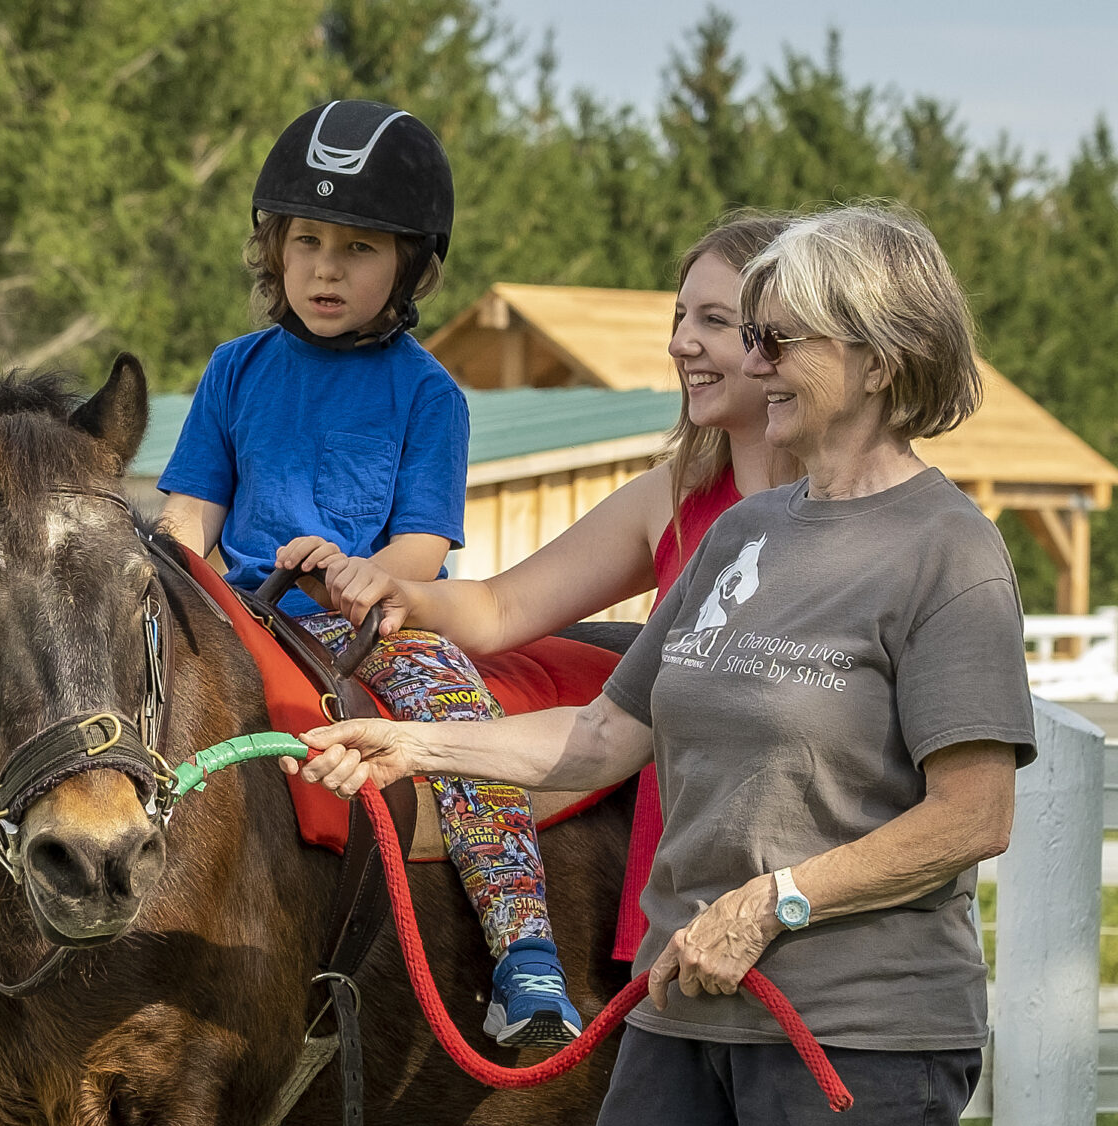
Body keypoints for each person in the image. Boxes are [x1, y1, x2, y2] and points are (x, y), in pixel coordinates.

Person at [290, 203, 1036, 1126]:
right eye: (752, 335)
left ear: (879, 357)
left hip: (858, 1032)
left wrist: (773, 901)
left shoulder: (946, 552)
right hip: (682, 1013)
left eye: (777, 338)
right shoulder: (743, 536)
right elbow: (602, 735)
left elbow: (972, 814)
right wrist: (418, 743)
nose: (753, 362)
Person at [158, 98, 584, 1047]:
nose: (324, 267)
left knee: (461, 715)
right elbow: (187, 519)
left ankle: (525, 953)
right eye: (306, 240)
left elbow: (424, 549)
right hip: (235, 612)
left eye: (358, 248)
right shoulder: (234, 370)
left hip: (374, 624)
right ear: (274, 248)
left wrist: (357, 576)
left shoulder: (429, 393)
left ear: (411, 267)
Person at [295, 211, 797, 963]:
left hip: (786, 911)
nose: (680, 342)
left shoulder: (844, 520)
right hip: (674, 913)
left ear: (781, 347)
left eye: (714, 321)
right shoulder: (674, 496)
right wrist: (404, 593)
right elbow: (502, 606)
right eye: (680, 315)